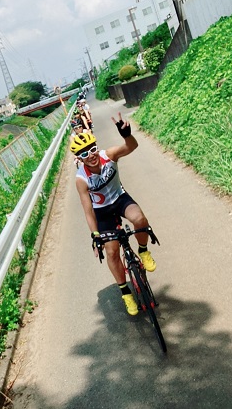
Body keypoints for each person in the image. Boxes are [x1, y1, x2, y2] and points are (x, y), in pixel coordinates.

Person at [70, 113, 157, 316]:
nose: (90, 155)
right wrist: (95, 235)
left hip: (119, 198)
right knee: (111, 252)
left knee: (139, 219)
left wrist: (127, 135)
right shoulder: (81, 179)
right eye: (84, 154)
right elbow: (87, 208)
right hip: (102, 211)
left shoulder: (108, 155)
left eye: (92, 149)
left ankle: (143, 251)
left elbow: (131, 147)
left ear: (96, 147)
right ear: (79, 158)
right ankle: (125, 292)